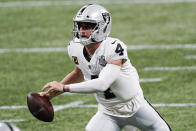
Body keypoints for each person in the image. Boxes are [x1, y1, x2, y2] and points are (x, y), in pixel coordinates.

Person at [41, 4, 172, 131]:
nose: (82, 31)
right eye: (80, 26)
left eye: (87, 26)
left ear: (102, 27)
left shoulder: (113, 47)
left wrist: (64, 88)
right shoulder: (74, 48)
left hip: (134, 108)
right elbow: (79, 72)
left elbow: (102, 84)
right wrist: (55, 90)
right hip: (108, 112)